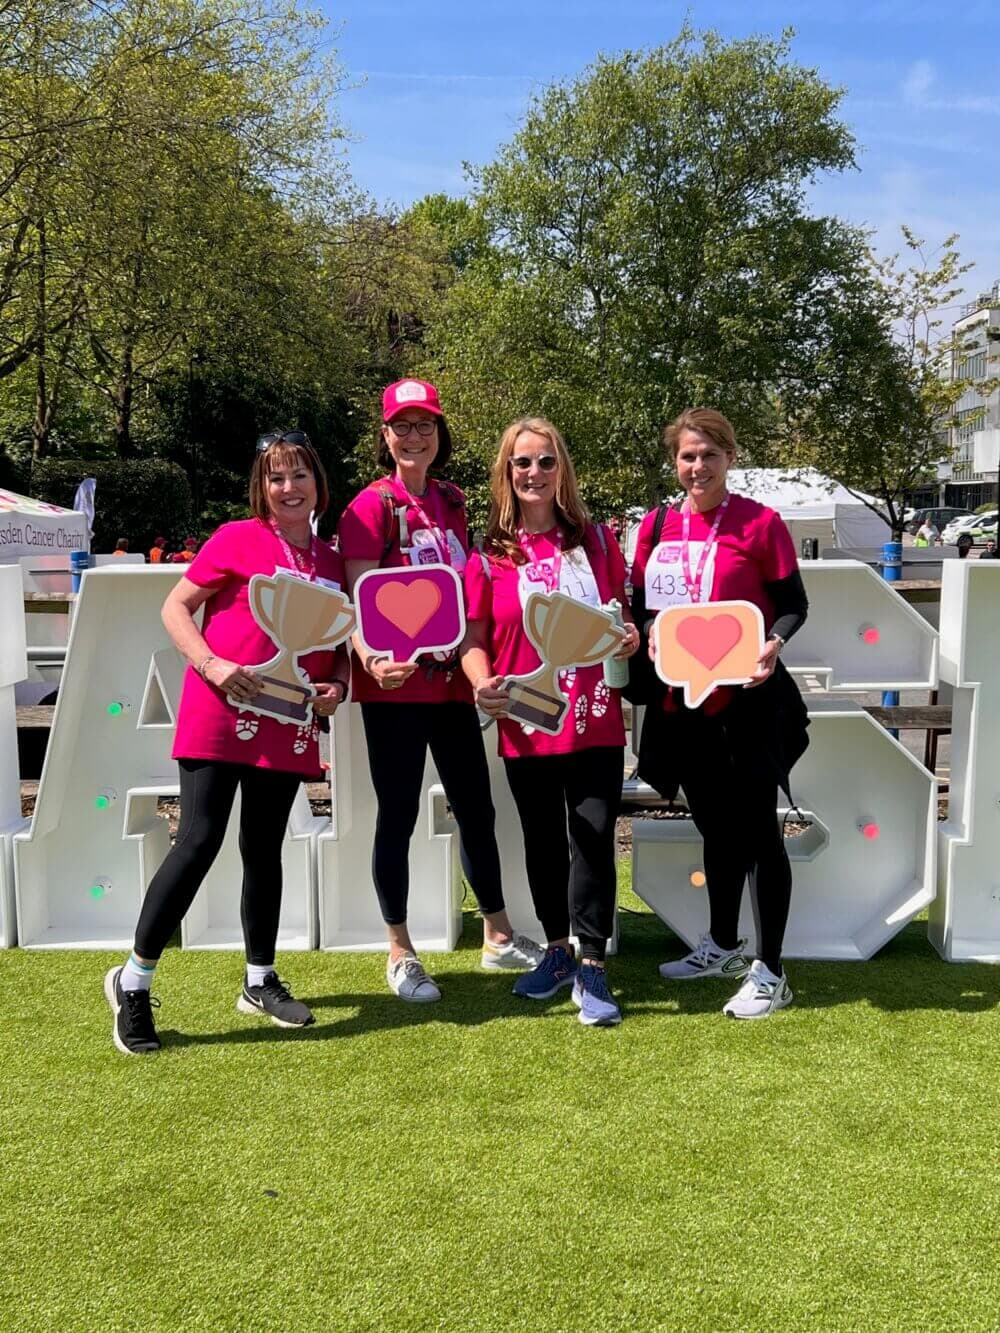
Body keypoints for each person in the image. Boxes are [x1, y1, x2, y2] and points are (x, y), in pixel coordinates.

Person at [103, 430, 350, 1055]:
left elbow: (339, 651)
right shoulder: (237, 538)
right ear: (260, 488)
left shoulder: (329, 559)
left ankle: (260, 979)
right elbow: (176, 608)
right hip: (221, 710)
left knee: (265, 849)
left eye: (299, 475)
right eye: (276, 477)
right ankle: (133, 981)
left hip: (288, 718)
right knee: (198, 840)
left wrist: (338, 689)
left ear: (318, 483)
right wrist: (211, 665)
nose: (289, 488)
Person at [338, 379, 542, 1002]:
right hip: (396, 692)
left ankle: (497, 935)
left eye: (425, 424)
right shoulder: (368, 506)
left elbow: (467, 586)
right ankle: (399, 950)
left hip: (454, 685)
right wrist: (371, 660)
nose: (414, 435)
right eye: (402, 425)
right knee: (397, 817)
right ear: (385, 435)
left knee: (477, 810)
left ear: (439, 434)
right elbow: (356, 600)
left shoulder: (452, 499)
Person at [631, 408, 809, 1020]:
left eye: (709, 454)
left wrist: (774, 643)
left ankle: (772, 970)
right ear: (674, 462)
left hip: (748, 704)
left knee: (760, 834)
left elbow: (792, 605)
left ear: (730, 457)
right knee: (715, 827)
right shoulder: (655, 526)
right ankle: (726, 946)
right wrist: (649, 630)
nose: (697, 466)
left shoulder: (761, 524)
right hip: (684, 704)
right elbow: (641, 605)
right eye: (687, 455)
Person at [462, 418, 640, 1027]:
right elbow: (474, 637)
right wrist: (481, 681)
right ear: (505, 473)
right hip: (527, 716)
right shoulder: (488, 555)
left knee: (592, 837)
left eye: (544, 462)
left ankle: (594, 962)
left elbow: (620, 620)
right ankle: (558, 951)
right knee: (542, 841)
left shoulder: (597, 541)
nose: (533, 473)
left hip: (593, 716)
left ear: (560, 469)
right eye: (521, 463)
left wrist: (629, 639)